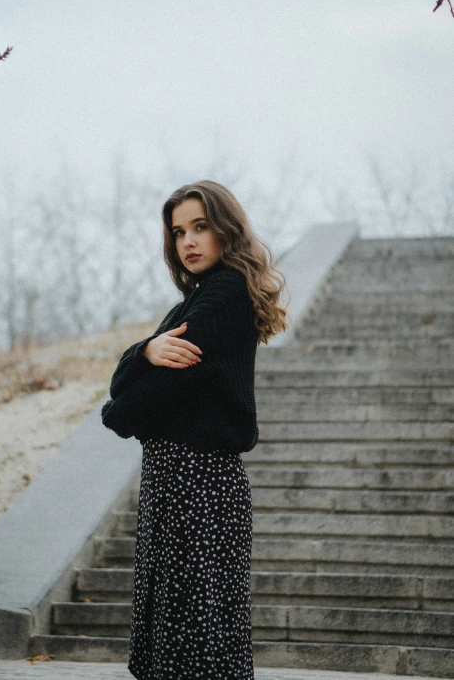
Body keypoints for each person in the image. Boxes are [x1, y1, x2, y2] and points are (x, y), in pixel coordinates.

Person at [101, 179, 288, 680]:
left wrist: (127, 395)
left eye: (200, 227)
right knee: (183, 636)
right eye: (179, 231)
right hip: (174, 481)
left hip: (198, 482)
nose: (188, 241)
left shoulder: (225, 291)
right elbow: (124, 385)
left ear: (225, 230)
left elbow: (121, 410)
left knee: (194, 639)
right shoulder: (189, 305)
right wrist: (145, 352)